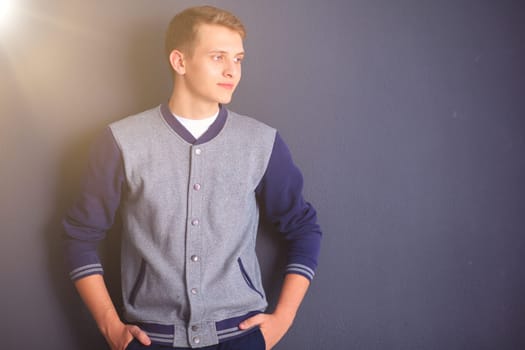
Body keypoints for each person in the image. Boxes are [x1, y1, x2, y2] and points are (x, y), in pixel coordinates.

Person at [63, 5, 322, 350]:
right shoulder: (121, 141)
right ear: (180, 62)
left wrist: (282, 320)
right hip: (152, 339)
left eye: (239, 59)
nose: (233, 71)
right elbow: (79, 235)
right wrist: (111, 327)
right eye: (218, 57)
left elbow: (304, 227)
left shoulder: (262, 143)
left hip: (241, 337)